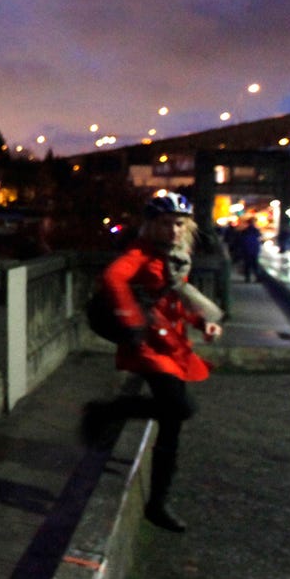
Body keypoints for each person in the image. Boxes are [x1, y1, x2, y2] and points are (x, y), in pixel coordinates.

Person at [81, 193, 222, 532]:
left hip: (172, 341)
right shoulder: (140, 253)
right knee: (179, 406)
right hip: (150, 343)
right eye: (165, 224)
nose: (173, 230)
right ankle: (106, 411)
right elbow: (113, 278)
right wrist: (131, 321)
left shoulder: (176, 256)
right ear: (151, 225)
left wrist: (202, 322)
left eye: (178, 224)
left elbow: (175, 297)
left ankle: (158, 503)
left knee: (172, 425)